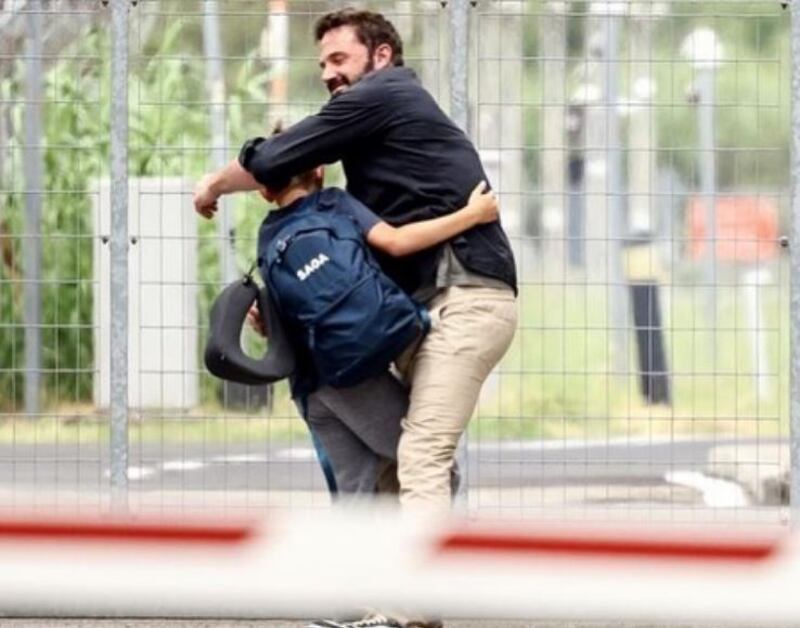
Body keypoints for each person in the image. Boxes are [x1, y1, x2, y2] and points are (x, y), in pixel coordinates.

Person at [194, 9, 518, 627]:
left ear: (381, 57)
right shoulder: (352, 171)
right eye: (321, 64)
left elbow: (276, 156)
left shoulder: (384, 95)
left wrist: (212, 184)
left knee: (421, 455)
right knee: (398, 466)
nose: (328, 73)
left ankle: (416, 606)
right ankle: (389, 600)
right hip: (424, 311)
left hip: (464, 298)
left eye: (339, 59)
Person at [247, 123, 499, 499]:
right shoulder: (334, 203)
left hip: (310, 390)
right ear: (319, 170)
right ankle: (429, 540)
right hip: (356, 378)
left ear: (265, 191)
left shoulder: (268, 235)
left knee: (358, 497)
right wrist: (473, 214)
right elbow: (396, 242)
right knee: (433, 469)